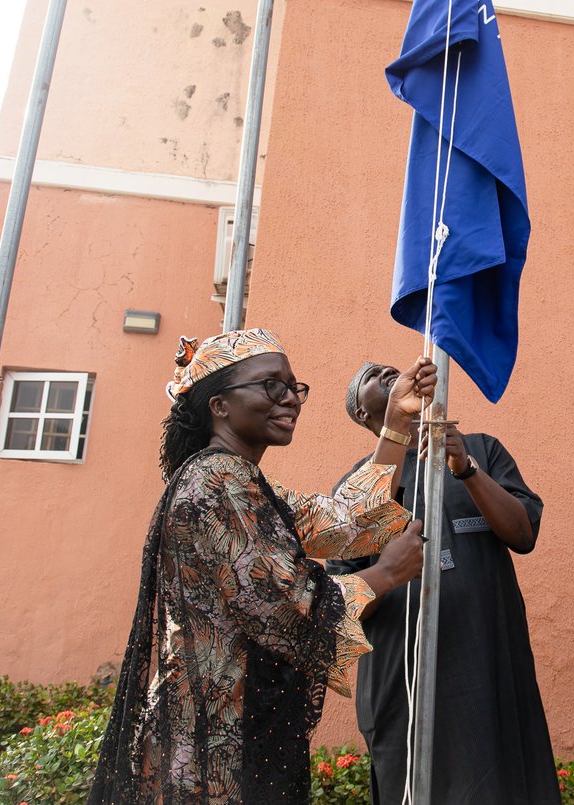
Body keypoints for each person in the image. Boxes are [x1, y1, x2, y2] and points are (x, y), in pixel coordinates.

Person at [90, 330, 436, 804]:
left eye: (295, 386)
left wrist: (395, 419)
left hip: (219, 736)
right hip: (210, 754)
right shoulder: (217, 482)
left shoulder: (240, 481)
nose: (291, 398)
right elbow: (289, 611)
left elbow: (344, 521)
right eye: (272, 385)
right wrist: (388, 573)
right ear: (219, 406)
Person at [326, 361, 561, 805]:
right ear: (362, 413)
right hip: (403, 687)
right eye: (375, 374)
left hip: (489, 672)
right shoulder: (359, 488)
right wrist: (390, 572)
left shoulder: (483, 450)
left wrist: (466, 468)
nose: (389, 371)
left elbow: (523, 534)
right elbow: (344, 601)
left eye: (392, 367)